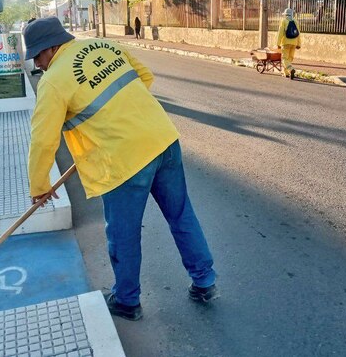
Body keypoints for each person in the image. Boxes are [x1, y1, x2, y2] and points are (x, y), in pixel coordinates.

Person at [23, 17, 217, 321]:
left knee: (123, 235)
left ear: (51, 48)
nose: (38, 63)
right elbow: (144, 76)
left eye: (37, 55)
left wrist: (39, 187)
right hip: (163, 140)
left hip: (122, 162)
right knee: (181, 214)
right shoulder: (105, 45)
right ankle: (204, 281)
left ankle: (127, 301)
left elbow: (43, 140)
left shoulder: (54, 81)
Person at [275, 8, 302, 80]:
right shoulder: (295, 21)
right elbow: (298, 33)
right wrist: (299, 44)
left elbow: (280, 33)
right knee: (290, 58)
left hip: (286, 42)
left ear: (285, 15)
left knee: (284, 58)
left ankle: (291, 69)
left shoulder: (283, 21)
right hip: (294, 43)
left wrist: (278, 43)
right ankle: (286, 73)